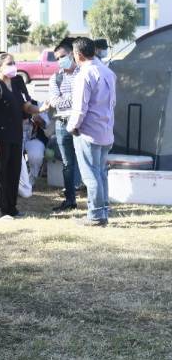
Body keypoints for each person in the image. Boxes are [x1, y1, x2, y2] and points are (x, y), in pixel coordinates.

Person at [0, 53, 47, 220]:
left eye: (14, 62)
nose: (13, 66)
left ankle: (11, 208)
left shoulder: (17, 83)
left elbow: (26, 106)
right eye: (9, 63)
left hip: (15, 135)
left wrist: (41, 109)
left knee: (13, 172)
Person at [67, 37, 117, 227]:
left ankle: (95, 215)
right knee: (101, 173)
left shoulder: (84, 74)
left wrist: (72, 127)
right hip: (106, 130)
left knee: (91, 175)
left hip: (88, 132)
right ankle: (103, 210)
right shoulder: (108, 72)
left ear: (78, 54)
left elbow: (80, 108)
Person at [49, 39, 82, 212]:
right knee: (67, 164)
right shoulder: (56, 77)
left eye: (62, 56)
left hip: (82, 123)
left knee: (85, 161)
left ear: (72, 54)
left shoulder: (83, 73)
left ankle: (93, 199)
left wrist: (67, 100)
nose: (60, 60)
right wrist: (74, 99)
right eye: (57, 58)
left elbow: (84, 100)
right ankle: (70, 200)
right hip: (62, 124)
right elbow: (54, 101)